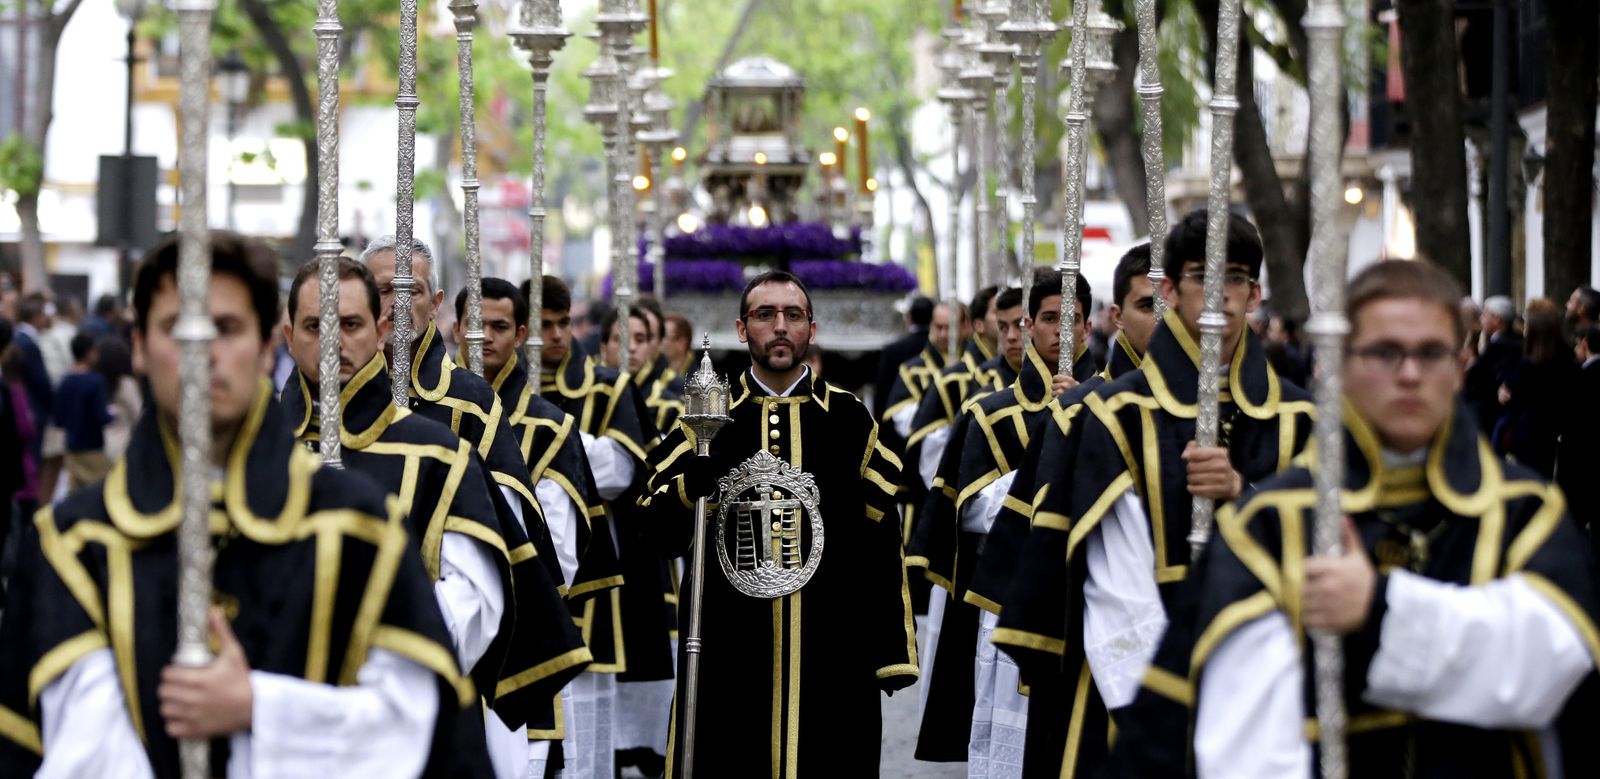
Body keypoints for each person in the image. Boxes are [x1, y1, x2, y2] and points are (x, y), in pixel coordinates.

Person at [0, 230, 470, 777]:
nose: (203, 352)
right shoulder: (73, 545)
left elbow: (418, 731)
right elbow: (66, 749)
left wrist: (259, 708)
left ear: (268, 344)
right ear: (138, 347)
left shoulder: (361, 529)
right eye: (177, 329)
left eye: (226, 328)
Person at [1172, 259, 1600, 778]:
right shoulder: (1273, 521)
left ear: (1462, 363)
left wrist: (1377, 609)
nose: (1410, 374)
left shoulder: (1524, 510)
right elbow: (1244, 738)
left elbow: (1544, 667)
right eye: (1384, 352)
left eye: (1431, 352)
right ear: (1339, 365)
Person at [992, 210, 1315, 779]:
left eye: (1236, 278)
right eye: (1201, 277)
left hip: (1268, 676)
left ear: (1256, 293)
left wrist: (1244, 491)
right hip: (1139, 686)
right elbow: (1115, 582)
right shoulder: (1116, 416)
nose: (1221, 295)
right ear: (1171, 290)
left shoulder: (1299, 416)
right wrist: (1159, 700)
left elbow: (1326, 547)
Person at [281, 259, 592, 776]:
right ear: (289, 335)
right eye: (317, 325)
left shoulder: (439, 454)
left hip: (406, 710)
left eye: (351, 324)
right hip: (280, 717)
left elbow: (476, 596)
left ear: (382, 330)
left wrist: (374, 658)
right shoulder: (255, 452)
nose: (333, 340)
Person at [641, 270, 918, 775]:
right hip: (729, 648)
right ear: (743, 329)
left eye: (793, 315)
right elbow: (653, 527)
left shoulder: (850, 418)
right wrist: (688, 487)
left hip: (833, 647)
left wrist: (891, 649)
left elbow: (881, 538)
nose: (780, 326)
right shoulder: (707, 418)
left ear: (812, 328)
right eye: (765, 315)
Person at [359, 236, 578, 757]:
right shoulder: (321, 397)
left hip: (456, 634)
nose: (396, 301)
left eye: (410, 289)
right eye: (384, 288)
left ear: (436, 305)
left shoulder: (470, 401)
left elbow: (508, 525)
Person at [906, 272, 1098, 767]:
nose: (1060, 331)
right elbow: (964, 509)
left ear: (1090, 327)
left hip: (1085, 596)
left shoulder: (1113, 405)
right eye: (1050, 319)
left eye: (1071, 320)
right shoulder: (990, 412)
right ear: (1032, 326)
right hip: (1009, 596)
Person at [462, 277, 626, 779]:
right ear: (453, 328)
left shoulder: (549, 426)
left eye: (498, 326)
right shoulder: (422, 415)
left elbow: (560, 554)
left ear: (519, 334)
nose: (485, 337)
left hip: (518, 634)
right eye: (475, 325)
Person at [532, 275, 674, 774]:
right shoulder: (488, 390)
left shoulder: (607, 386)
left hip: (589, 572)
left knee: (585, 726)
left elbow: (617, 471)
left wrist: (537, 454)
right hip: (521, 570)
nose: (553, 335)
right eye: (541, 325)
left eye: (562, 323)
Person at [1494, 298, 1579, 479]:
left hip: (1527, 438)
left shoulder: (1528, 364)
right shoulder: (1568, 359)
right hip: (1553, 440)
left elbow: (1511, 396)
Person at [53, 333, 114, 489]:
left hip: (71, 449)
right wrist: (113, 415)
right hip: (92, 447)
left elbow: (58, 418)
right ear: (89, 353)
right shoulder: (95, 381)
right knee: (103, 488)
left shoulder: (65, 381)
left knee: (74, 492)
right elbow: (101, 416)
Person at [1464, 294, 1521, 434]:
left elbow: (1473, 377)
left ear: (1497, 319)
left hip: (1490, 416)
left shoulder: (1499, 345)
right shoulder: (1508, 341)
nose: (1481, 318)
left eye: (1486, 314)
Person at [875, 295, 935, 420]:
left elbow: (882, 391)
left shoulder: (892, 350)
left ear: (910, 318)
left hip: (894, 422)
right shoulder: (936, 347)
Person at [95, 336, 142, 462]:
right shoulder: (126, 385)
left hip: (95, 448)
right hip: (122, 446)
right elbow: (137, 415)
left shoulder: (94, 383)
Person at [662, 312, 695, 377]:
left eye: (664, 336)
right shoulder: (656, 371)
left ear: (682, 343)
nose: (658, 341)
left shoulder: (699, 383)